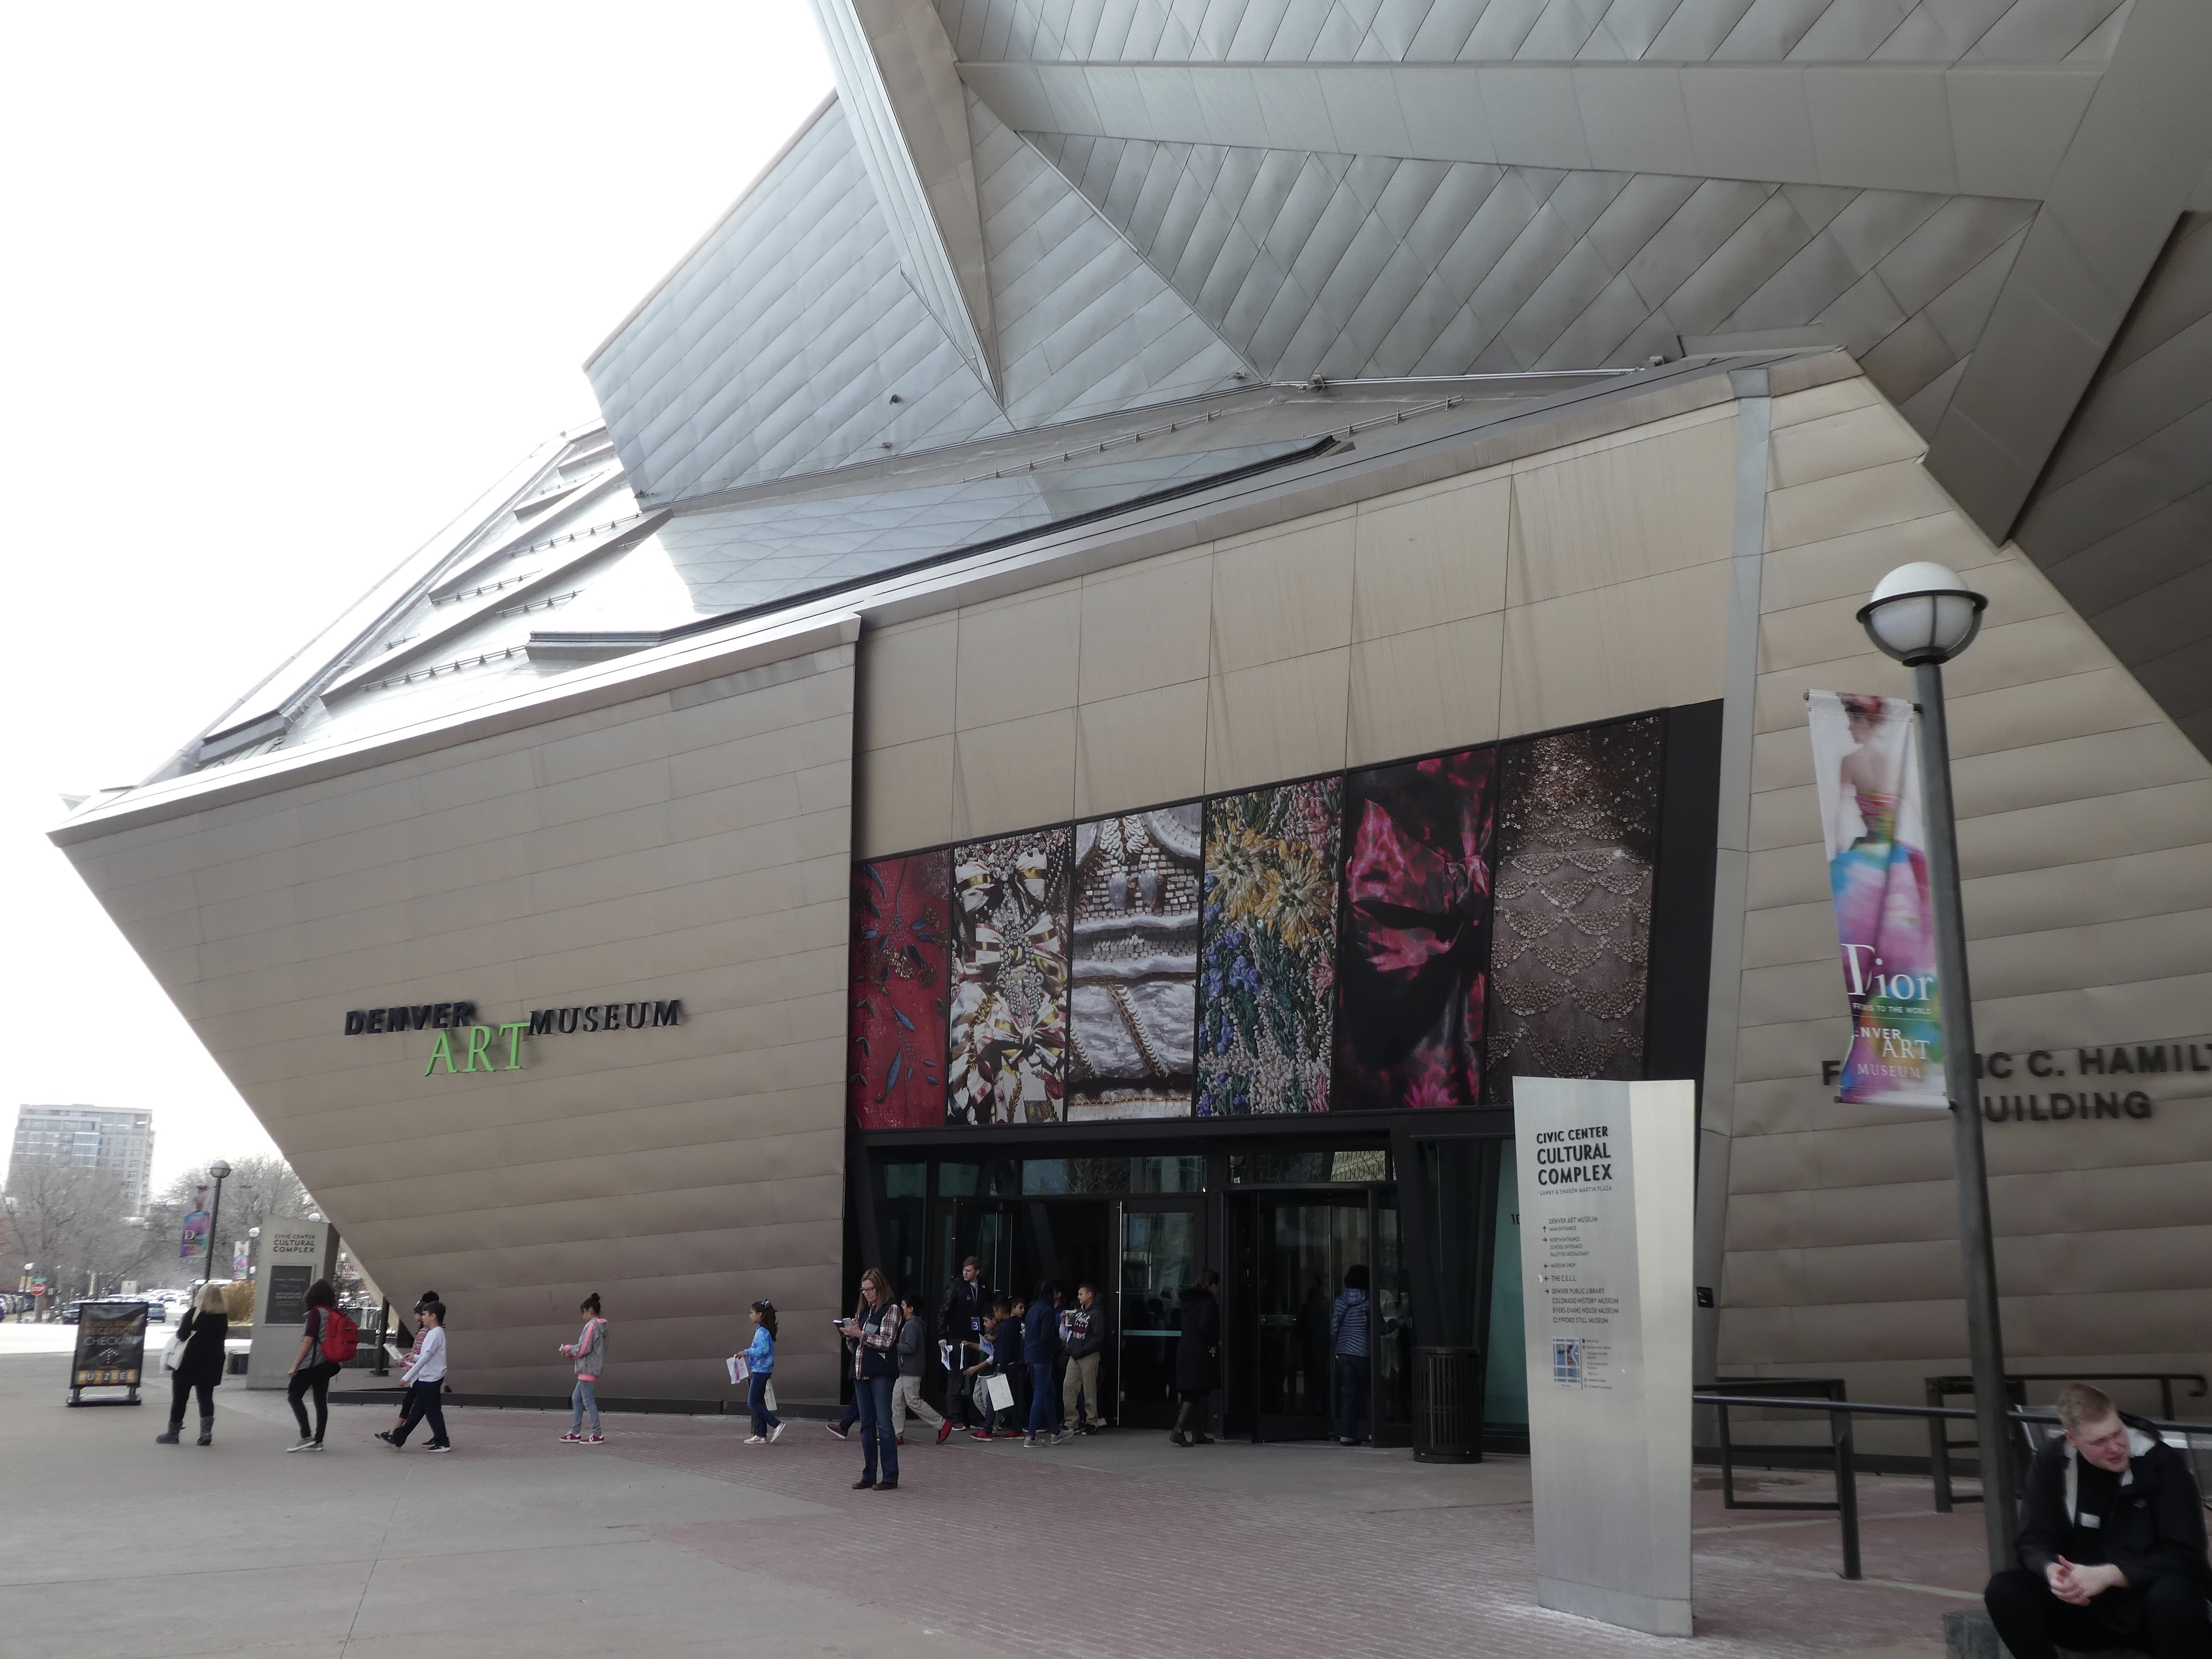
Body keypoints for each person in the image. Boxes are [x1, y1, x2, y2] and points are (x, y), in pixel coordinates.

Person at [1984, 1382, 2212, 1659]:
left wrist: (2110, 1575)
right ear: (2073, 1440)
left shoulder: (2162, 1462)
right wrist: (2051, 1571)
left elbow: (2186, 1556)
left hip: (2149, 1605)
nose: (2115, 1448)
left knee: (2175, 1595)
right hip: (2083, 1605)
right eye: (2099, 1442)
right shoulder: (2053, 1461)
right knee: (2004, 1591)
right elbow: (2031, 1540)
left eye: (2117, 1433)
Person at [837, 1267, 901, 1491]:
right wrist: (850, 1335)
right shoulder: (864, 1311)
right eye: (863, 1290)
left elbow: (887, 1342)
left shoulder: (891, 1309)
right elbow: (856, 1346)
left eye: (870, 1290)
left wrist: (860, 1334)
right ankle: (869, 1475)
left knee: (884, 1424)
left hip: (880, 1373)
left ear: (880, 1287)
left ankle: (890, 1476)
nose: (867, 1294)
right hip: (860, 1371)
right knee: (866, 1425)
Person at [156, 1282, 230, 1447]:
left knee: (180, 1398)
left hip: (189, 1361)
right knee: (206, 1397)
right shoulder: (222, 1317)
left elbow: (182, 1336)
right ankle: (206, 1433)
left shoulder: (193, 1314)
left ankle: (173, 1434)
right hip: (212, 1361)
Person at [284, 1279, 345, 1453]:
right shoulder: (333, 1313)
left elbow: (309, 1340)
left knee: (294, 1396)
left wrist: (295, 1365)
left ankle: (306, 1437)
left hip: (312, 1362)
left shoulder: (315, 1313)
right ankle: (319, 1440)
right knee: (320, 1401)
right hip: (328, 1362)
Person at [380, 1300, 450, 1451]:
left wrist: (407, 1378)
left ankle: (443, 1442)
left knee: (430, 1412)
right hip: (429, 1379)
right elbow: (426, 1357)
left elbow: (425, 1359)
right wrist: (414, 1357)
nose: (422, 1317)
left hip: (430, 1379)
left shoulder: (435, 1334)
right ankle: (399, 1439)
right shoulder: (435, 1333)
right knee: (420, 1411)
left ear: (433, 1316)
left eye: (425, 1314)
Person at [938, 1256, 990, 1431]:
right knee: (957, 1376)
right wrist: (942, 1335)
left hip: (976, 1336)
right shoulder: (956, 1286)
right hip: (957, 1336)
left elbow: (990, 1303)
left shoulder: (983, 1286)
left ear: (977, 1272)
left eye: (969, 1271)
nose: (965, 1274)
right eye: (964, 1270)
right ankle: (954, 1417)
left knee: (976, 1376)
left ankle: (975, 1416)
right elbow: (944, 1311)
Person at [891, 1293, 951, 1446]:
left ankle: (942, 1424)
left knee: (913, 1401)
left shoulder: (911, 1325)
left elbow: (911, 1347)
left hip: (911, 1369)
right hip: (906, 1370)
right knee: (897, 1401)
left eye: (903, 1305)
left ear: (911, 1309)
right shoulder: (912, 1324)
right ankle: (896, 1434)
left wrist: (895, 1347)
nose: (901, 1307)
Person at [1171, 1268, 1221, 1448]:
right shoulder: (1208, 1303)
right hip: (1199, 1351)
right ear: (1212, 1286)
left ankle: (1197, 1433)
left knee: (1193, 1391)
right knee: (1194, 1393)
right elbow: (1205, 1325)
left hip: (1185, 1348)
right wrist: (1212, 1343)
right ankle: (1178, 1430)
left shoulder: (1188, 1302)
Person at [558, 1293, 607, 1445]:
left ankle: (597, 1434)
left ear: (590, 1311)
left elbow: (583, 1348)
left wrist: (568, 1349)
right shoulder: (603, 1327)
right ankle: (575, 1432)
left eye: (584, 1312)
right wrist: (574, 1356)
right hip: (592, 1367)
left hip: (587, 1369)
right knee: (577, 1398)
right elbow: (592, 1350)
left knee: (588, 1401)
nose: (583, 1316)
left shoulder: (592, 1326)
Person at [1022, 1281, 1067, 1446]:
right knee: (1041, 1395)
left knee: (1049, 1392)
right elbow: (1046, 1336)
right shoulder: (1047, 1311)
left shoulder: (1032, 1310)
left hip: (1030, 1354)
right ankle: (1031, 1437)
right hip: (1042, 1356)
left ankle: (1055, 1432)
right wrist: (1060, 1343)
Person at [1331, 1265, 1371, 1447]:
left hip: (1344, 1351)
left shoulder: (1341, 1299)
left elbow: (1334, 1327)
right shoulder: (1369, 1300)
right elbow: (1378, 1327)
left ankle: (1346, 1434)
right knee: (1370, 1393)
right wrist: (1397, 1322)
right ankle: (1373, 1432)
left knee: (1349, 1394)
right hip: (1363, 1350)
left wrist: (1336, 1348)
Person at [1060, 1283, 1106, 1434]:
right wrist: (1071, 1349)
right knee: (1068, 1387)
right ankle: (1071, 1421)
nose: (1078, 1297)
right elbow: (1074, 1333)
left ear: (1090, 1295)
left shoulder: (1097, 1314)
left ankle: (1092, 1422)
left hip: (1089, 1356)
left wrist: (1079, 1351)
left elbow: (1098, 1339)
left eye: (1081, 1294)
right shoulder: (1079, 1312)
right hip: (1075, 1355)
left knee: (1089, 1390)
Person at [740, 1300, 783, 1444]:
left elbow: (763, 1351)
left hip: (761, 1370)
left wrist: (746, 1352)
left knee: (753, 1402)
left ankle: (776, 1424)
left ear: (760, 1315)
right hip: (762, 1369)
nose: (750, 1316)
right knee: (759, 1401)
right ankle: (761, 1434)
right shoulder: (763, 1331)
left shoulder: (762, 1332)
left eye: (752, 1313)